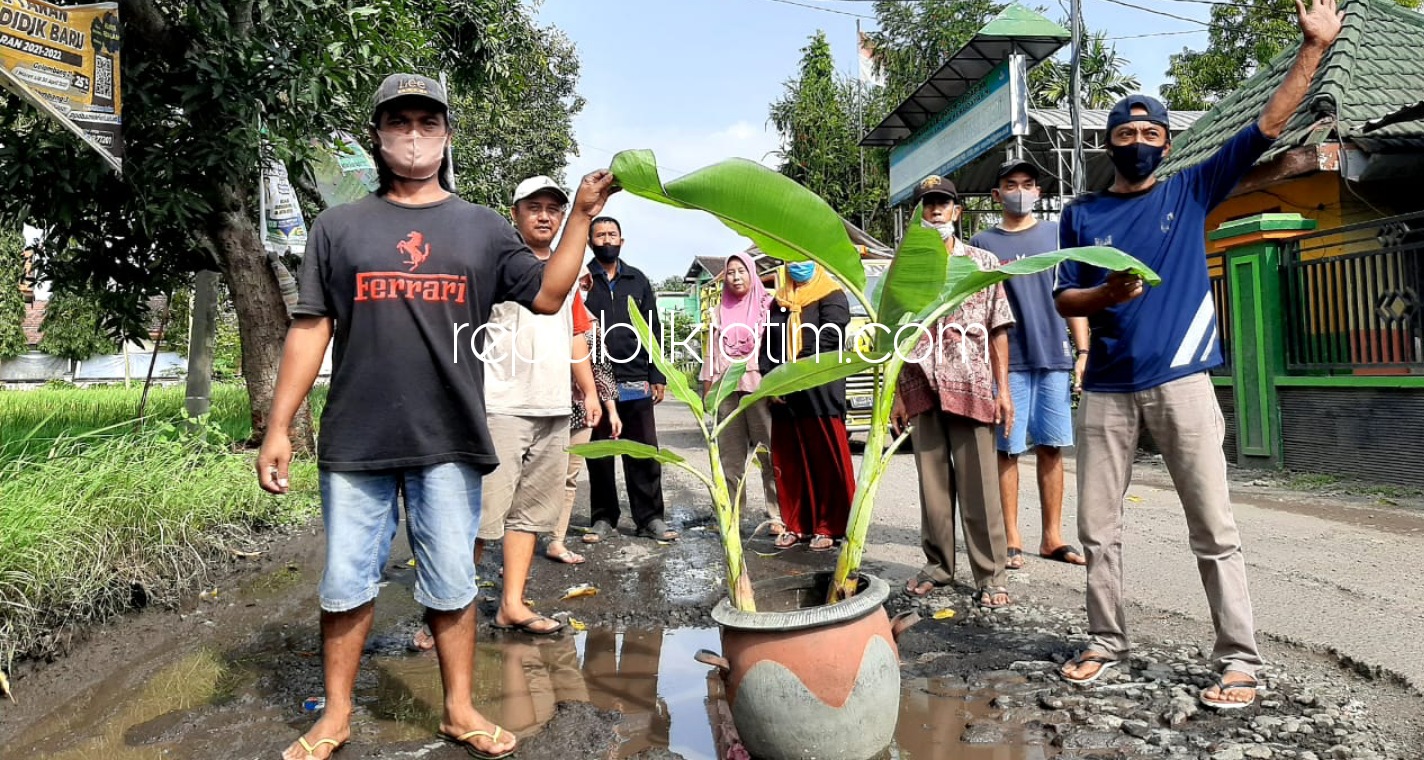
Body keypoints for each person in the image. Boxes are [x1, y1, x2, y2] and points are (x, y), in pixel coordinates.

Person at [256, 73, 616, 760]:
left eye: (427, 121)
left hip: (449, 438)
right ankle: (335, 715)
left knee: (451, 581)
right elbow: (310, 328)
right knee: (344, 583)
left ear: (446, 136)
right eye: (399, 122)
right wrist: (279, 425)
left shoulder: (479, 227)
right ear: (379, 136)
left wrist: (579, 213)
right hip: (356, 438)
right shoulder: (338, 228)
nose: (413, 134)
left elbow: (548, 293)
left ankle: (458, 709)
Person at [1052, 0, 1342, 710]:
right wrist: (1107, 297)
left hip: (1182, 384)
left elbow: (1269, 124)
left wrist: (1314, 47)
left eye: (1152, 131)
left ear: (1165, 141)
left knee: (1213, 527)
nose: (1141, 140)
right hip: (1108, 392)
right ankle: (1104, 642)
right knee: (1098, 530)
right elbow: (1065, 300)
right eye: (1127, 132)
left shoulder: (1191, 187)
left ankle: (1239, 659)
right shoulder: (1081, 214)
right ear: (1109, 143)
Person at [474, 175, 604, 636]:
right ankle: (447, 611)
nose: (545, 215)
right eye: (534, 207)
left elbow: (574, 335)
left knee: (529, 514)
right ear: (516, 214)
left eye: (554, 207)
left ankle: (511, 603)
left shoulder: (566, 270)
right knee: (480, 517)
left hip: (551, 407)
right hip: (501, 405)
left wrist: (588, 392)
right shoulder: (496, 263)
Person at [894, 176, 1016, 608]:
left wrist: (1004, 390)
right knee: (933, 485)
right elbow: (894, 332)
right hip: (921, 384)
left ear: (957, 211)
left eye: (943, 203)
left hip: (972, 383)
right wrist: (894, 395)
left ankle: (991, 573)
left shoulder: (983, 262)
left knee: (981, 484)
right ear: (918, 214)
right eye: (927, 205)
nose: (935, 211)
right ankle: (938, 566)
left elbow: (999, 328)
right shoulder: (904, 268)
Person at [969, 160, 1090, 570]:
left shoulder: (1057, 236)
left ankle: (1052, 536)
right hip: (1008, 362)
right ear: (996, 195)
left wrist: (1082, 352)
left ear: (1038, 191)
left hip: (1054, 356)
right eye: (1009, 184)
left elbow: (1072, 295)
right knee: (1008, 449)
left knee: (1053, 447)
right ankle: (1012, 537)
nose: (1018, 190)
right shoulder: (982, 244)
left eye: (1026, 184)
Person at [580, 217, 679, 543]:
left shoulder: (638, 280)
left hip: (636, 378)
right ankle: (603, 517)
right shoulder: (583, 281)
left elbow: (654, 330)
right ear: (591, 240)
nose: (606, 239)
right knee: (600, 452)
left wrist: (657, 374)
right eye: (600, 234)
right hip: (595, 382)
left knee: (643, 451)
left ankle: (650, 518)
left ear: (622, 240)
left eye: (612, 234)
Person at [759, 261, 856, 552]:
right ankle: (798, 524)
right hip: (785, 396)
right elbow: (768, 343)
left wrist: (793, 374)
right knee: (791, 464)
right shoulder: (780, 301)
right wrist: (771, 380)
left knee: (826, 461)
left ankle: (830, 526)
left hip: (819, 391)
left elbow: (828, 339)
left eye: (804, 258)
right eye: (792, 259)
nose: (798, 265)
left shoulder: (832, 296)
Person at [700, 252, 782, 536]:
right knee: (730, 458)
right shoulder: (718, 311)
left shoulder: (768, 306)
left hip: (760, 388)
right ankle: (731, 513)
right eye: (731, 272)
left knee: (769, 453)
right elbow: (710, 352)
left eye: (741, 271)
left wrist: (777, 385)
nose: (736, 277)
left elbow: (777, 347)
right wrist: (707, 388)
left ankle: (777, 515)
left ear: (752, 273)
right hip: (726, 390)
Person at [550, 297, 622, 564]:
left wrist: (611, 410)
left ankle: (556, 540)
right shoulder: (542, 312)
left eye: (582, 283)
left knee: (569, 477)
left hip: (579, 409)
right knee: (533, 477)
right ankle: (520, 547)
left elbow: (602, 370)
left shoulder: (592, 326)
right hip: (544, 406)